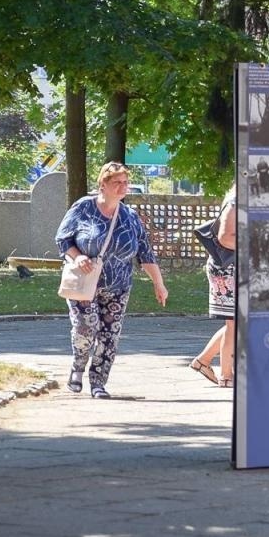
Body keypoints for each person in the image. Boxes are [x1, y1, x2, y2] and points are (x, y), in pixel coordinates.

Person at [56, 162, 168, 398]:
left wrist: (159, 284)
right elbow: (63, 240)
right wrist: (78, 257)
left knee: (109, 336)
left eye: (125, 183)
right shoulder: (84, 207)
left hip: (118, 286)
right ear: (103, 185)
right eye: (117, 182)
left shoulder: (130, 217)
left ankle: (98, 382)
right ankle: (78, 365)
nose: (123, 187)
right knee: (86, 328)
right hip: (85, 283)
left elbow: (145, 253)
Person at [190, 184, 237, 387]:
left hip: (230, 267)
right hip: (229, 268)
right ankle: (226, 376)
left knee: (236, 323)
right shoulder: (236, 202)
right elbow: (225, 237)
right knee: (235, 324)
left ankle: (204, 361)